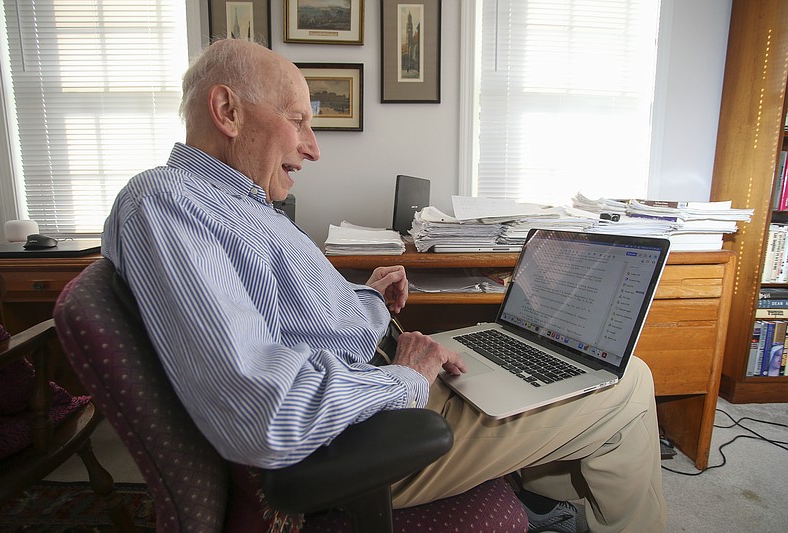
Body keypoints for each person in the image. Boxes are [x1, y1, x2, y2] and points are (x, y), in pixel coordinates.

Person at [102, 39, 667, 533]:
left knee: (540, 376)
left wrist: (366, 298)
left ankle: (560, 495)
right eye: (298, 120)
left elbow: (285, 321)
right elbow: (265, 413)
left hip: (370, 386)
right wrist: (405, 380)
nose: (313, 147)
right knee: (627, 385)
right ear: (227, 110)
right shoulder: (167, 202)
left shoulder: (235, 205)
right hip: (362, 442)